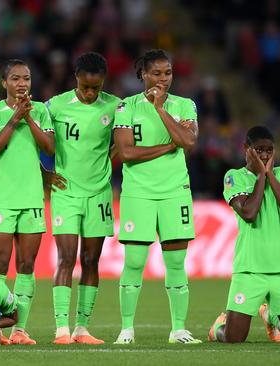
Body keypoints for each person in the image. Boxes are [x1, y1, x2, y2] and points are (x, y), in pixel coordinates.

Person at [112, 49, 200, 344]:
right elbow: (125, 153)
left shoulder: (184, 105)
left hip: (175, 192)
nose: (164, 79)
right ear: (143, 75)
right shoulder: (127, 107)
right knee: (134, 262)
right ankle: (126, 329)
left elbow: (188, 141)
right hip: (139, 194)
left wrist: (161, 109)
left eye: (168, 73)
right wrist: (167, 147)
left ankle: (178, 329)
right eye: (157, 73)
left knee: (176, 263)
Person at [45, 52, 120, 345]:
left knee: (91, 260)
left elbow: (125, 140)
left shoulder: (114, 106)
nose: (90, 93)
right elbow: (34, 136)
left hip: (98, 193)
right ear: (75, 78)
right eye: (86, 87)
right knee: (66, 258)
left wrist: (109, 158)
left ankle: (82, 329)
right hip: (65, 192)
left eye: (96, 88)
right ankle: (61, 329)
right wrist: (44, 173)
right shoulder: (55, 105)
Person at [208, 126, 280, 343]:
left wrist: (270, 174)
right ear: (246, 149)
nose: (264, 155)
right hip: (250, 269)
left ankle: (270, 315)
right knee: (233, 338)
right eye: (259, 150)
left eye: (269, 151)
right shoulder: (233, 177)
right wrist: (262, 176)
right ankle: (218, 326)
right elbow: (249, 213)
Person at [0, 59, 54, 345]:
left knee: (27, 264)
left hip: (32, 197)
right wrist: (14, 119)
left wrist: (29, 118)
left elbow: (49, 148)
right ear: (4, 83)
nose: (22, 84)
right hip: (2, 198)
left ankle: (20, 329)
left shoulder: (41, 112)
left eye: (26, 78)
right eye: (15, 78)